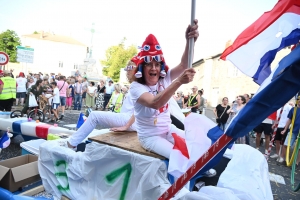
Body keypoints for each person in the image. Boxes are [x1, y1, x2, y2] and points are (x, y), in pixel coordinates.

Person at [130, 20, 199, 159]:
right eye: (149, 64)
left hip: (168, 129)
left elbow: (184, 64)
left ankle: (199, 173)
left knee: (197, 144)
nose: (154, 68)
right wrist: (179, 81)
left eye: (157, 64)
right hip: (150, 137)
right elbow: (155, 103)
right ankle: (182, 179)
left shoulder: (164, 78)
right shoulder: (136, 87)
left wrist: (190, 41)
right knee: (178, 157)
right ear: (142, 68)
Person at [65, 58, 139, 149]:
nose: (126, 72)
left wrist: (126, 126)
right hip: (128, 119)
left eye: (129, 69)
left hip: (129, 120)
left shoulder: (138, 86)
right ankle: (73, 143)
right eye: (126, 69)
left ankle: (71, 143)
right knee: (97, 116)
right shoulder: (136, 85)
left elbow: (139, 109)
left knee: (94, 115)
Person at [278, 97, 300, 165]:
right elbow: (289, 120)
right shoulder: (294, 109)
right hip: (293, 130)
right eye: (299, 100)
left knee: (299, 148)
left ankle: (296, 162)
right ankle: (282, 158)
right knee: (286, 144)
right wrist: (285, 129)